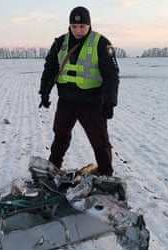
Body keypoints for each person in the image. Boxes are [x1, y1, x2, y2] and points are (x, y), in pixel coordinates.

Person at [39, 6, 119, 176]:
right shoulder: (60, 43)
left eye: (82, 26)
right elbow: (50, 69)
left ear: (89, 25)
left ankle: (106, 175)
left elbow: (112, 76)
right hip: (66, 101)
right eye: (74, 26)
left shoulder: (102, 43)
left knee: (100, 142)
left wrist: (109, 102)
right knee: (60, 137)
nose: (78, 30)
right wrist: (44, 93)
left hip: (91, 103)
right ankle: (53, 170)